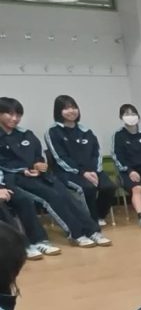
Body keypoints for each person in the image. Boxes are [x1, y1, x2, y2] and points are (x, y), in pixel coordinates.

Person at [0, 97, 105, 248]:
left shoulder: (26, 134)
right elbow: (3, 162)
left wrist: (38, 164)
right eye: (9, 114)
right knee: (52, 197)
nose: (15, 118)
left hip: (38, 175)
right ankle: (76, 234)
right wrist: (23, 169)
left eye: (18, 114)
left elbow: (37, 155)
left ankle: (92, 230)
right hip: (14, 178)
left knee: (66, 194)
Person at [45, 95, 117, 227]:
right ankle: (91, 222)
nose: (71, 111)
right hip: (68, 172)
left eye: (73, 107)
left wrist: (95, 171)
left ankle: (99, 215)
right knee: (88, 188)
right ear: (58, 111)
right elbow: (60, 158)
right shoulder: (53, 132)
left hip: (92, 170)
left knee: (109, 187)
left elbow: (96, 152)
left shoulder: (86, 131)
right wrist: (82, 172)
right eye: (66, 108)